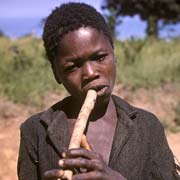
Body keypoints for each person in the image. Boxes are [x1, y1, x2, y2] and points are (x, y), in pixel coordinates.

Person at [17, 2, 180, 180]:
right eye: (72, 67)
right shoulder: (35, 131)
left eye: (99, 57)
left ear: (114, 55)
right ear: (56, 74)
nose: (90, 73)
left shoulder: (148, 127)